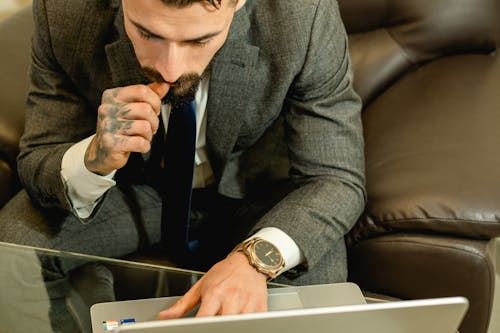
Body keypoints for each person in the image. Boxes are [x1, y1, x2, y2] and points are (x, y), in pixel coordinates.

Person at [0, 0, 365, 322]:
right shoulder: (64, 10)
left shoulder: (304, 15)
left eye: (198, 41)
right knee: (10, 248)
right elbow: (38, 156)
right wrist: (97, 156)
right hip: (137, 185)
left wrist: (255, 260)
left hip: (258, 192)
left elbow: (336, 178)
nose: (170, 70)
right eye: (146, 33)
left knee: (317, 279)